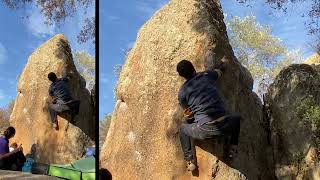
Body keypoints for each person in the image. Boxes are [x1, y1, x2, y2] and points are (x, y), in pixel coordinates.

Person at [177, 50, 241, 171]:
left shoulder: (182, 92)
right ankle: (233, 148)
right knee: (237, 119)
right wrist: (223, 63)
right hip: (225, 124)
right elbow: (220, 71)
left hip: (204, 130)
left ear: (182, 76)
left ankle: (190, 160)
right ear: (193, 68)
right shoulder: (207, 75)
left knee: (183, 128)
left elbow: (189, 114)